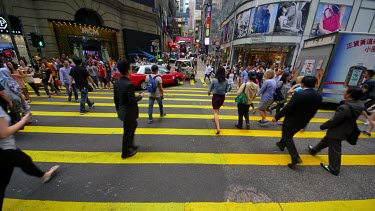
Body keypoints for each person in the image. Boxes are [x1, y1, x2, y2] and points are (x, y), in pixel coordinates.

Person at [0, 110, 60, 210]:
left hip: (7, 151)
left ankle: (44, 175)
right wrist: (23, 121)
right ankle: (44, 176)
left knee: (25, 161)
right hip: (5, 152)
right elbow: (4, 133)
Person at [308, 87, 364, 176]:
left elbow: (335, 120)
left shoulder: (344, 107)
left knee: (335, 149)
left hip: (338, 130)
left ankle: (334, 168)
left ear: (349, 94)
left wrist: (323, 126)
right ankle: (314, 150)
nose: (344, 92)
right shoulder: (360, 104)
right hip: (348, 128)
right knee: (326, 140)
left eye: (345, 91)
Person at [272, 76, 322, 169]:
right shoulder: (318, 97)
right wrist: (304, 125)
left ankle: (295, 157)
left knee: (287, 136)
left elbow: (288, 107)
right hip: (302, 122)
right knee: (288, 135)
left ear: (302, 84)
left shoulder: (299, 94)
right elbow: (312, 113)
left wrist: (277, 117)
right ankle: (281, 144)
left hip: (291, 120)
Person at [114, 60, 144, 159]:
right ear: (128, 71)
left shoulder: (117, 83)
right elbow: (131, 100)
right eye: (130, 69)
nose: (131, 70)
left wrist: (118, 110)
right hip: (129, 112)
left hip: (122, 110)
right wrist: (140, 96)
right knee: (127, 132)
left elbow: (116, 99)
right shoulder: (129, 85)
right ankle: (125, 153)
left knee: (133, 126)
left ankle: (130, 145)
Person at [208, 67, 228, 134]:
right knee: (217, 108)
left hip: (215, 97)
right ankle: (214, 118)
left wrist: (209, 92)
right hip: (222, 97)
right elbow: (226, 91)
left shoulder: (214, 80)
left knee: (215, 112)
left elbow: (210, 88)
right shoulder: (226, 81)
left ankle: (218, 128)